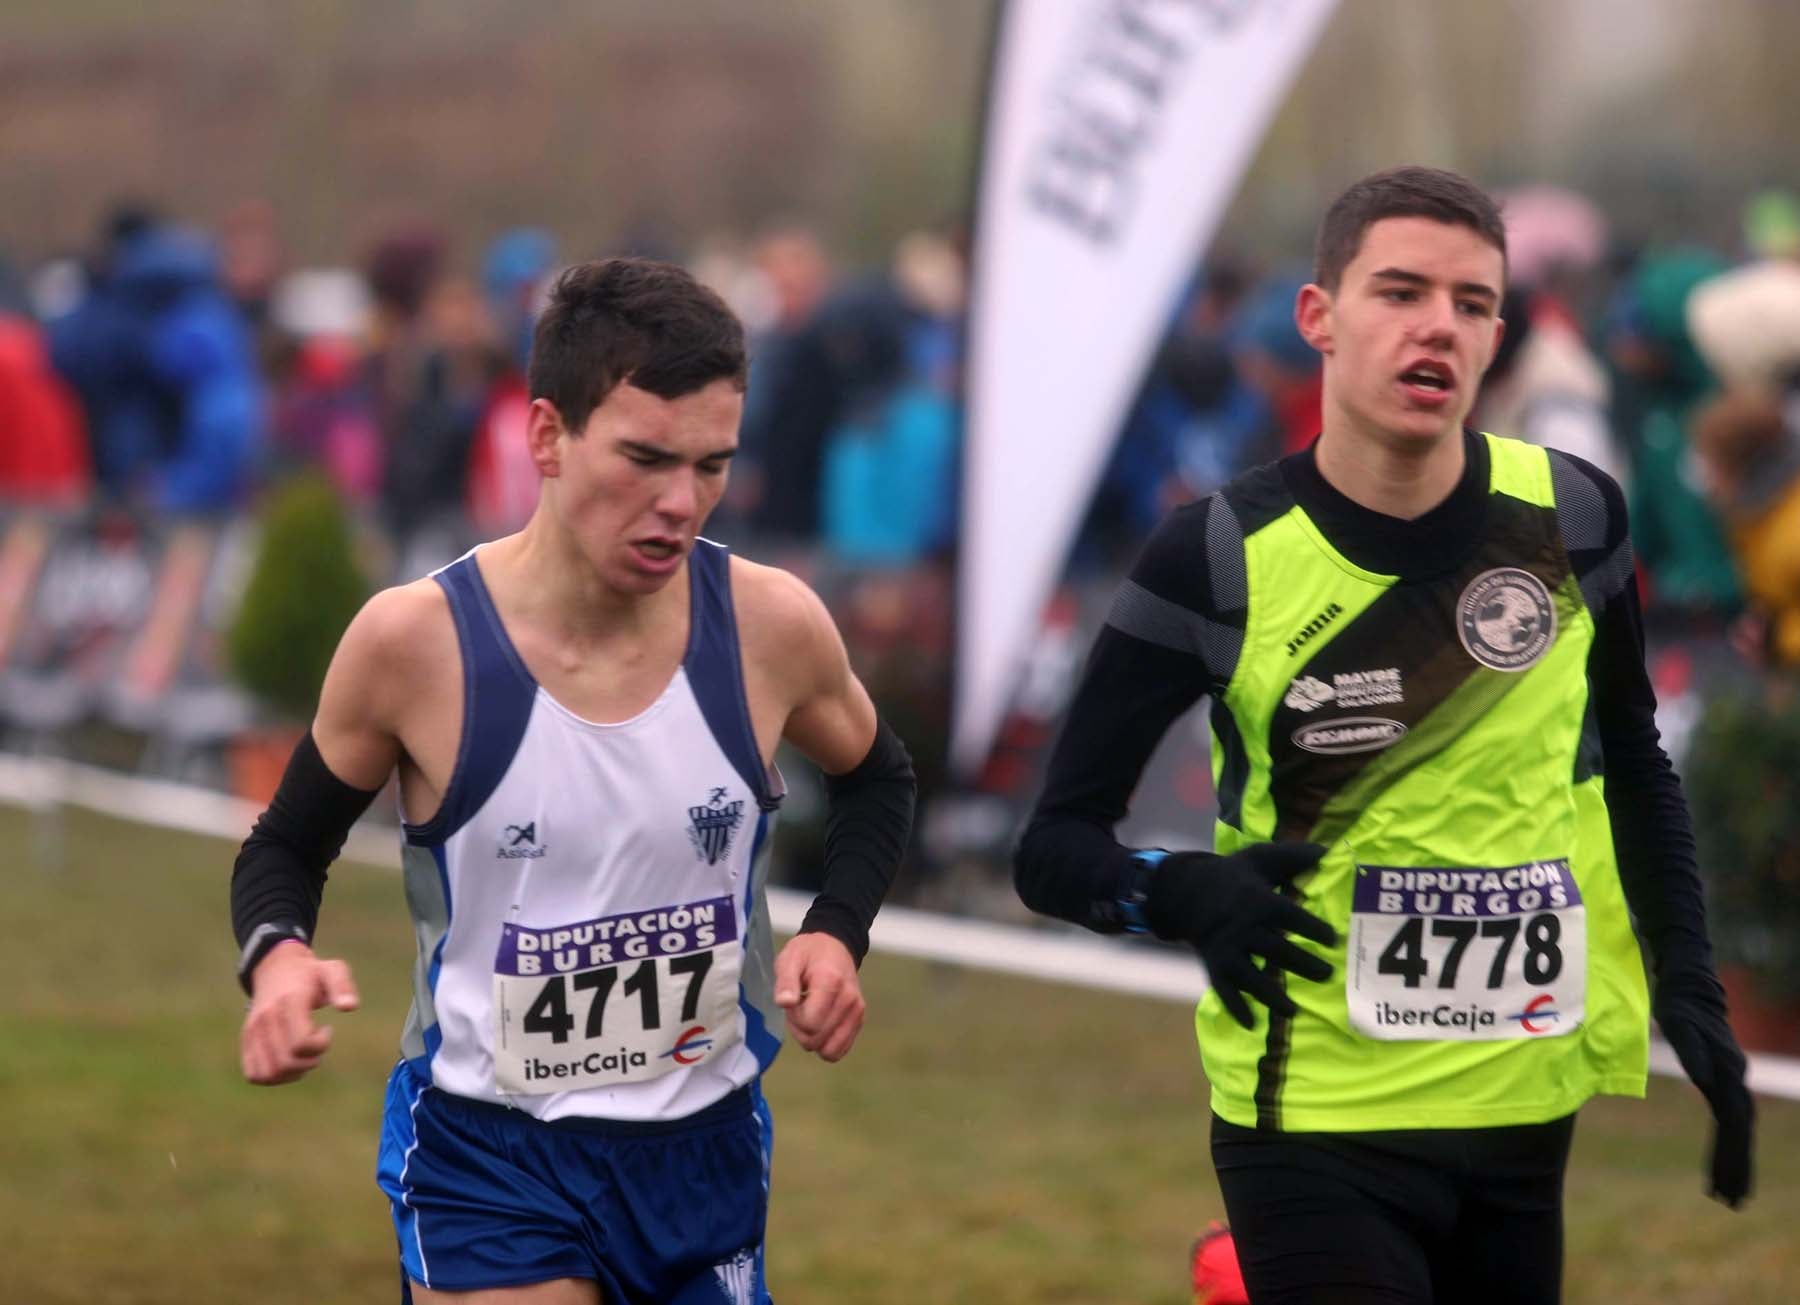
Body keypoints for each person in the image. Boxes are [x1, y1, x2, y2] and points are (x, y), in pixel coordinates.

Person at [1015, 167, 1753, 1304]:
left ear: (1499, 332)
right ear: (1320, 317)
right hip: (1313, 1110)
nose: (1437, 328)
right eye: (1400, 292)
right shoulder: (1217, 558)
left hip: (1521, 1102)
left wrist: (1691, 988)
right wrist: (1182, 894)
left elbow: (1633, 769)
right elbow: (1054, 847)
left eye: (1469, 304)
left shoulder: (1577, 515)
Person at [231, 258, 916, 1304]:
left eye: (712, 465)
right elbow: (285, 844)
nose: (680, 502)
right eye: (644, 458)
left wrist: (837, 927)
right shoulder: (417, 644)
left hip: (703, 1152)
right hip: (490, 1160)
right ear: (547, 435)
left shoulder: (771, 626)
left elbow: (880, 780)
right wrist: (278, 959)